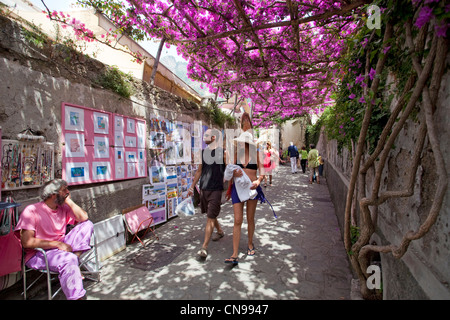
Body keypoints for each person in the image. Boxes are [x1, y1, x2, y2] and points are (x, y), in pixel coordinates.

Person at [15, 179, 93, 300]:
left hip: (61, 248)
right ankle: (76, 297)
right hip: (39, 253)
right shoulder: (31, 210)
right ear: (53, 194)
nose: (68, 192)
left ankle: (74, 263)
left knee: (88, 224)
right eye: (64, 190)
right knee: (69, 259)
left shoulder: (62, 208)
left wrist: (69, 201)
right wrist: (56, 244)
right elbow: (27, 242)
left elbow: (84, 217)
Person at [224, 130, 267, 265]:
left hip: (251, 190)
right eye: (240, 142)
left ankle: (249, 244)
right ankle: (235, 254)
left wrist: (258, 181)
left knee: (250, 218)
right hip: (237, 190)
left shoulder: (257, 155)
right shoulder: (237, 155)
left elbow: (262, 172)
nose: (241, 144)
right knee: (237, 220)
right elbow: (231, 172)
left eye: (244, 142)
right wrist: (230, 186)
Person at [188, 128, 226, 259]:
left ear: (214, 138)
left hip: (216, 189)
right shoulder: (203, 153)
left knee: (210, 216)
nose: (204, 137)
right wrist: (192, 186)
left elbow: (230, 169)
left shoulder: (223, 153)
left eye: (207, 135)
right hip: (204, 189)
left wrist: (231, 187)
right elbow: (199, 171)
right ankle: (220, 231)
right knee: (211, 214)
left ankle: (204, 247)